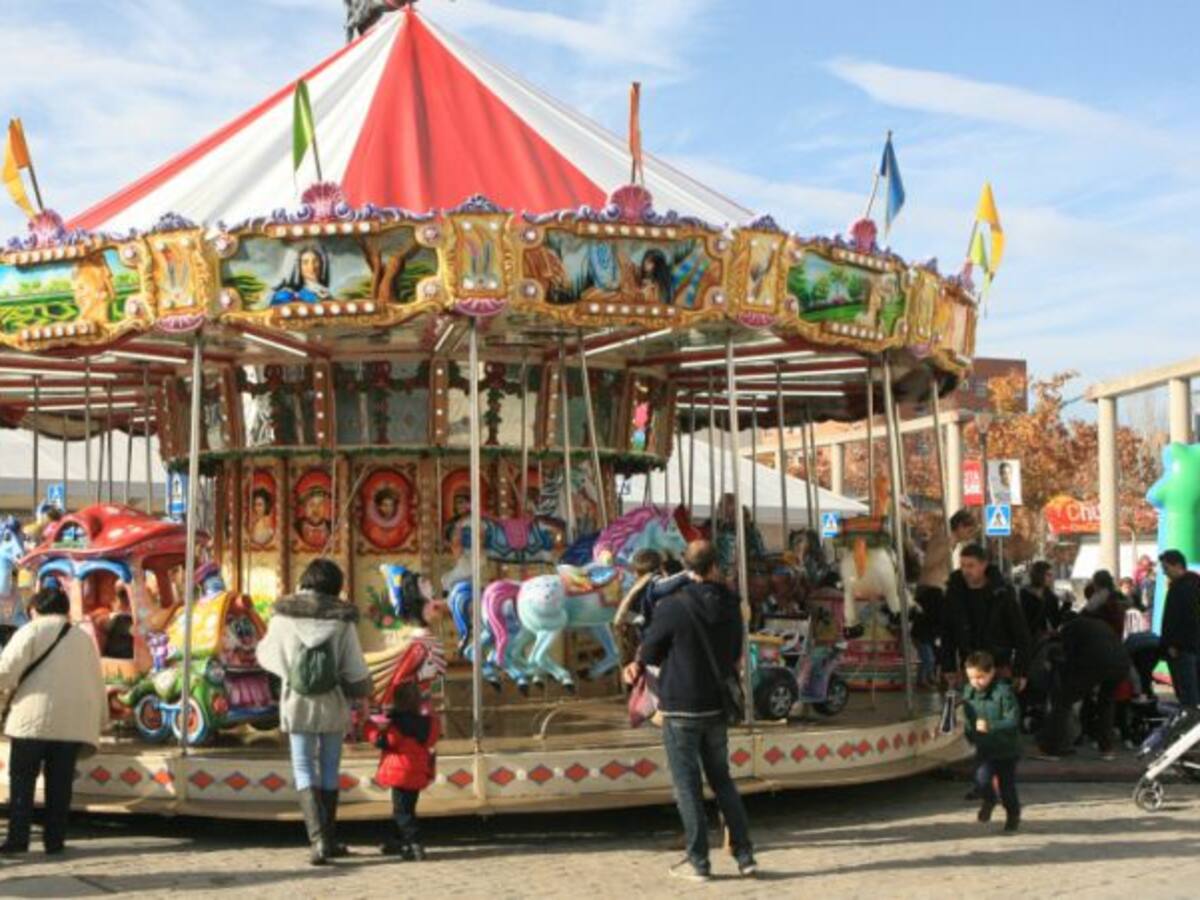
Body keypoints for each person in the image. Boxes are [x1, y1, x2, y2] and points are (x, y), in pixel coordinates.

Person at [623, 540, 756, 882]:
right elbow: (735, 653)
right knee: (722, 780)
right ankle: (744, 855)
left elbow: (650, 652)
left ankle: (699, 861)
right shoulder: (731, 604)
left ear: (686, 566)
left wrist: (636, 665)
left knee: (687, 786)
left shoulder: (673, 606)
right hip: (717, 704)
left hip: (681, 705)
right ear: (714, 565)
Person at [256, 559, 372, 865]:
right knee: (330, 765)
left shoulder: (283, 616)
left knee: (303, 766)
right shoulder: (342, 619)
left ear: (305, 581)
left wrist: (287, 673)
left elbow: (267, 655)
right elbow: (354, 666)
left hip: (297, 701)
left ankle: (317, 842)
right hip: (332, 700)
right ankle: (330, 840)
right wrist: (361, 694)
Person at [0, 586, 106, 855]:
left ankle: (18, 840)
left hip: (32, 722)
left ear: (36, 609)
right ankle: (54, 841)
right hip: (72, 725)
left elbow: (6, 669)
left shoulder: (31, 630)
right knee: (60, 784)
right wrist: (101, 719)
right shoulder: (84, 639)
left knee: (22, 781)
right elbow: (97, 681)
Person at [1039, 607, 1131, 760]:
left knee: (1063, 701)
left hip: (1096, 663)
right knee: (1106, 703)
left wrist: (1067, 683)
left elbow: (1070, 657)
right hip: (1121, 664)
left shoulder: (1070, 628)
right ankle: (1107, 749)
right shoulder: (1100, 624)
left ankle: (1052, 748)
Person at [365, 681, 438, 860]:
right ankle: (395, 841)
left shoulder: (396, 723)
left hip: (400, 773)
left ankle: (415, 844)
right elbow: (431, 740)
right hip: (418, 771)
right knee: (406, 809)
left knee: (402, 813)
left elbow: (385, 742)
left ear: (397, 700)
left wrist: (369, 728)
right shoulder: (428, 722)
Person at [941, 544, 1032, 689]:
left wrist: (1020, 671)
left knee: (1000, 701)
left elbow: (1021, 633)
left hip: (998, 664)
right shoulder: (955, 593)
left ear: (983, 565)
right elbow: (947, 632)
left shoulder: (1001, 593)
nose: (966, 571)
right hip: (970, 666)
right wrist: (948, 666)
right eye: (963, 565)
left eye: (971, 565)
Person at [962, 651, 1021, 833]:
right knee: (981, 780)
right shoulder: (969, 692)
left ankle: (1013, 815)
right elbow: (968, 719)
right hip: (984, 748)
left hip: (1006, 749)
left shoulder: (1003, 692)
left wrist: (991, 725)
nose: (976, 682)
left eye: (980, 677)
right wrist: (969, 735)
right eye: (971, 677)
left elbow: (1012, 720)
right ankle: (989, 799)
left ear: (991, 672)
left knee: (1006, 788)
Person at [613, 549, 691, 666]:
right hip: (664, 648)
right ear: (660, 567)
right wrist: (691, 571)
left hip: (648, 645)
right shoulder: (652, 584)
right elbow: (666, 585)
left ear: (635, 573)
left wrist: (640, 620)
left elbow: (628, 618)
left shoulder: (634, 591)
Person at [1158, 550, 1200, 706]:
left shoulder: (1183, 588)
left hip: (1182, 649)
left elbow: (1185, 619)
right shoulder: (1190, 585)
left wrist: (1174, 644)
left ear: (1177, 566)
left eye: (1166, 568)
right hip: (1187, 647)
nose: (1164, 572)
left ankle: (1191, 719)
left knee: (1187, 692)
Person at [1020, 560, 1064, 641]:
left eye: (1052, 575)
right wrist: (1040, 602)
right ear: (1039, 575)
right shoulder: (1025, 594)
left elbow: (1055, 623)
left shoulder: (1050, 596)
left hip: (1047, 639)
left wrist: (1066, 604)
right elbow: (1027, 623)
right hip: (1030, 639)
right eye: (1048, 575)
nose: (1051, 578)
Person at [1085, 570, 1127, 638]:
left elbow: (1085, 613)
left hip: (1103, 637)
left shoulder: (1101, 599)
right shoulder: (1116, 596)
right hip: (1116, 637)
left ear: (1096, 584)